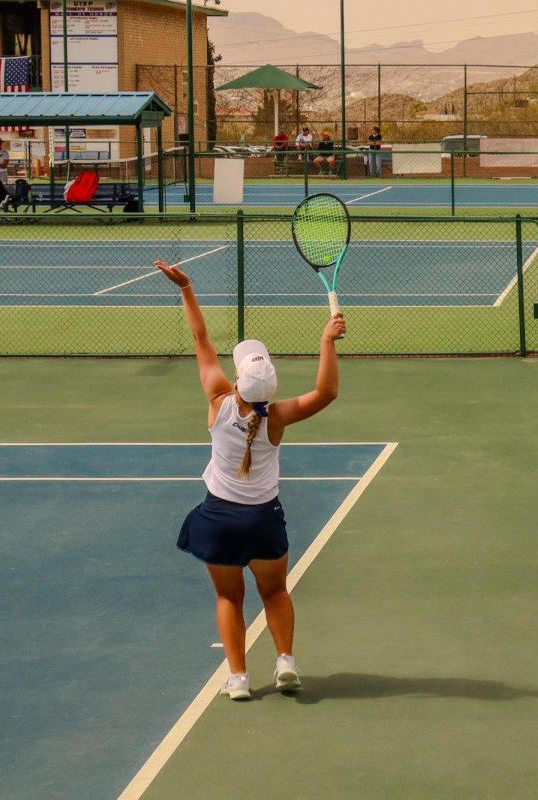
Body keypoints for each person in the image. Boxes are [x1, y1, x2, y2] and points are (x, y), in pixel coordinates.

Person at [153, 257, 345, 700]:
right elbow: (327, 393)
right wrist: (326, 341)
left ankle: (238, 678)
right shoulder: (277, 417)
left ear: (236, 379)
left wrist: (185, 288)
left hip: (218, 518)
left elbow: (201, 338)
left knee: (228, 599)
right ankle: (285, 663)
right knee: (275, 592)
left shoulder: (218, 401)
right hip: (263, 520)